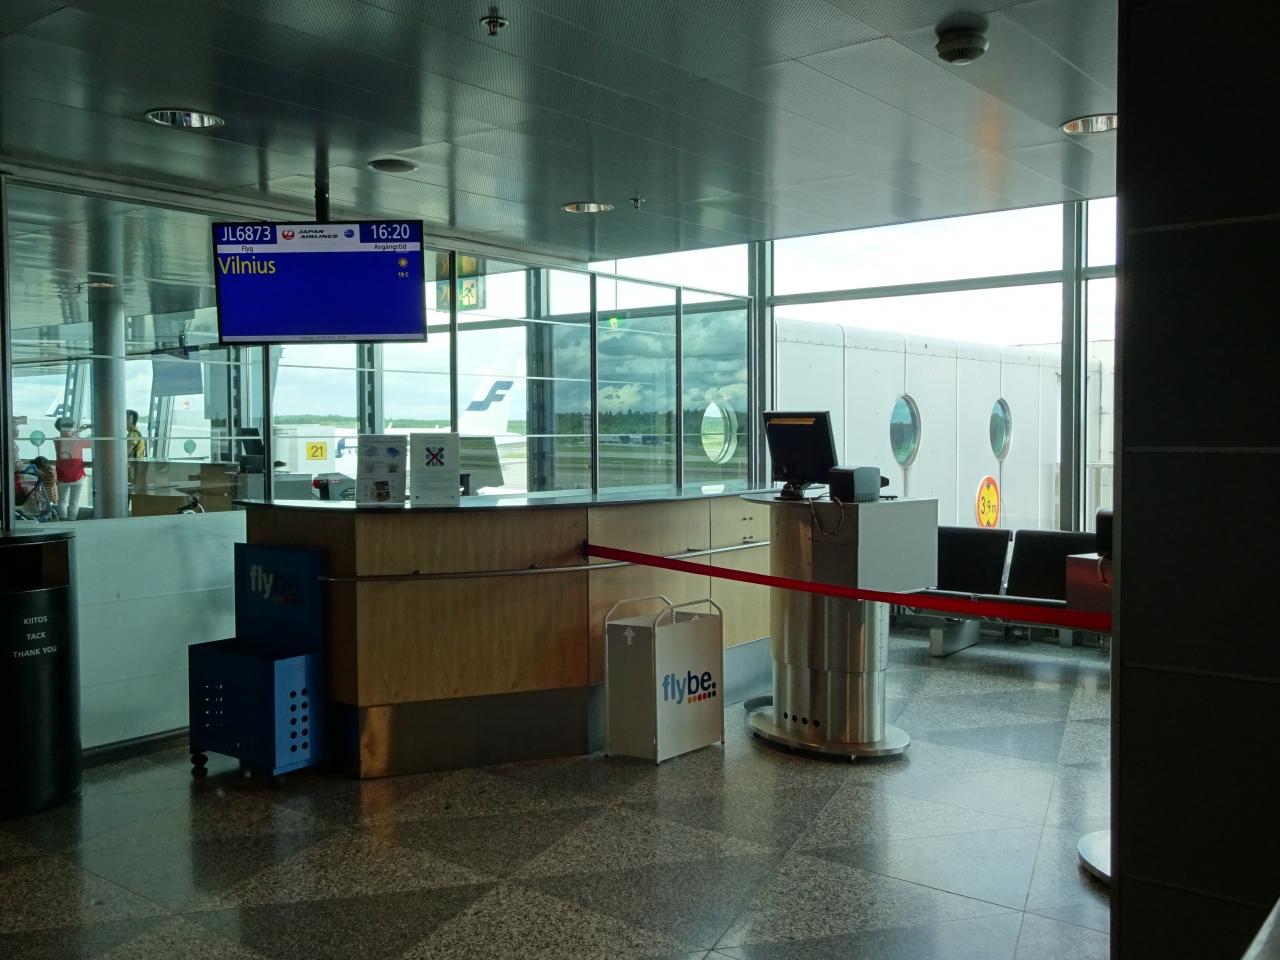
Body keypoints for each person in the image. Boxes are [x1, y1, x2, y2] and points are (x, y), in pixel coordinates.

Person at [52, 416, 90, 520]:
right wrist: (81, 430)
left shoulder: (57, 441)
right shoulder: (78, 441)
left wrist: (79, 430)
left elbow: (68, 435)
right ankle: (72, 520)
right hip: (77, 476)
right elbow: (91, 443)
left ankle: (62, 520)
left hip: (62, 476)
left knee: (62, 501)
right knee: (74, 502)